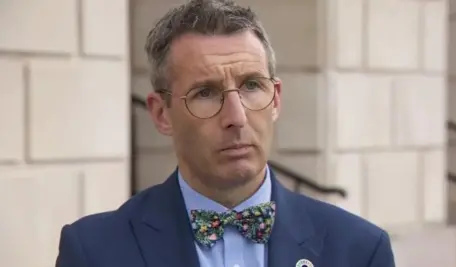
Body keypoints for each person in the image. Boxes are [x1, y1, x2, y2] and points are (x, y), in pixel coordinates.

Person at [55, 0, 396, 266]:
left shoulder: (358, 250)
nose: (237, 117)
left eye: (251, 86)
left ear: (275, 99)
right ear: (161, 114)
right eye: (205, 93)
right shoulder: (94, 252)